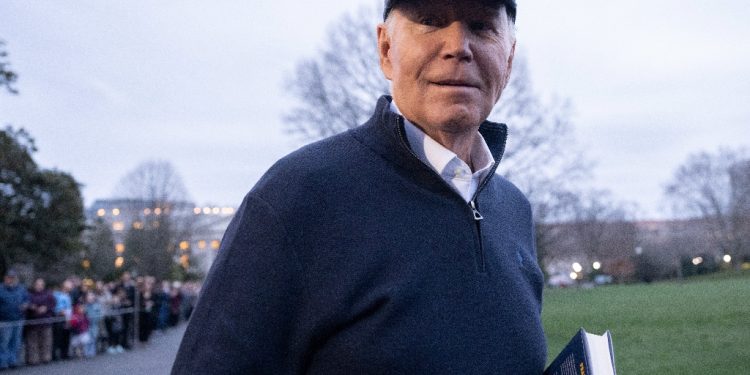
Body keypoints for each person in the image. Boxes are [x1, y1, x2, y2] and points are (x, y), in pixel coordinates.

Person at [172, 0, 546, 373]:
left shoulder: (514, 211)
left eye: (481, 27)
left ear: (509, 58)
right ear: (386, 49)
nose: (457, 47)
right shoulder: (297, 197)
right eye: (430, 21)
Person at [0, 269, 29, 370]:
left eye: (13, 278)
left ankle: (13, 361)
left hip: (18, 319)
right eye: (9, 277)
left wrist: (25, 305)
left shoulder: (21, 289)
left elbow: (27, 299)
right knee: (4, 343)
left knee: (16, 342)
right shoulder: (1, 289)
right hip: (4, 320)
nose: (11, 280)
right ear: (5, 278)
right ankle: (3, 363)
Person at [25, 278, 56, 365]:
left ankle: (46, 358)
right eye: (37, 284)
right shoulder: (29, 295)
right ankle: (33, 359)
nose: (39, 286)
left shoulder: (48, 295)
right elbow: (26, 304)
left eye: (41, 284)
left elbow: (53, 304)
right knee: (33, 342)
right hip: (33, 321)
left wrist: (46, 308)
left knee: (46, 341)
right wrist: (32, 307)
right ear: (34, 285)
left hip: (45, 321)